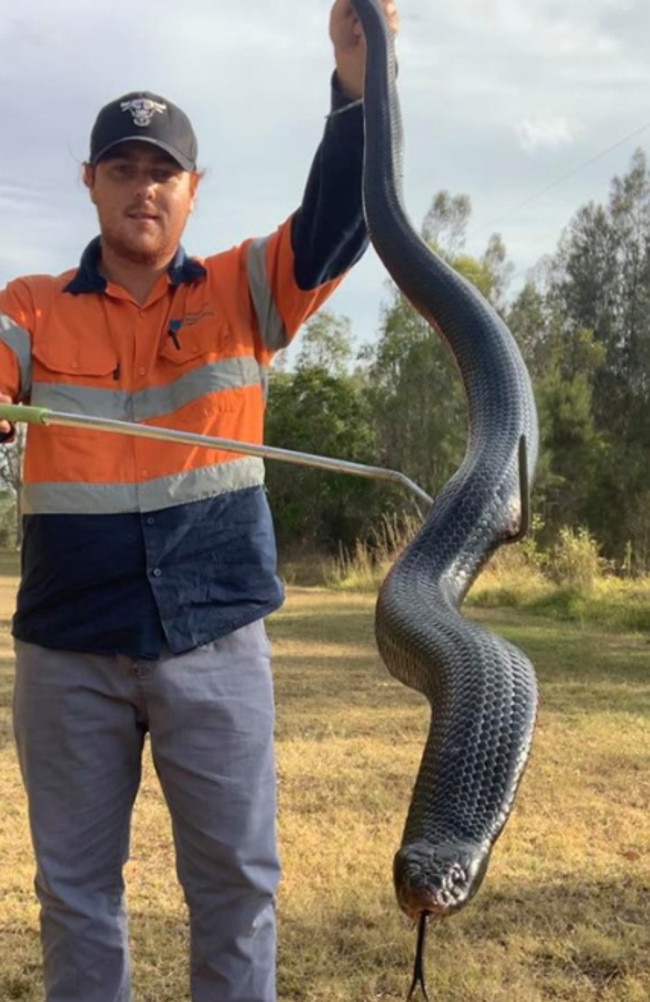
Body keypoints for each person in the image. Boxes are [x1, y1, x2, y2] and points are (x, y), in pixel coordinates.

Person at [0, 2, 399, 1000]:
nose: (143, 187)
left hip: (214, 639)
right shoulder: (31, 306)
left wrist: (357, 87)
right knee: (77, 890)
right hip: (68, 647)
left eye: (161, 171)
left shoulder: (245, 287)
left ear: (192, 190)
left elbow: (342, 220)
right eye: (123, 168)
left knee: (235, 885)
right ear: (91, 183)